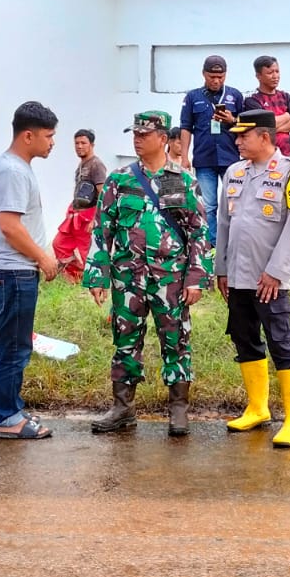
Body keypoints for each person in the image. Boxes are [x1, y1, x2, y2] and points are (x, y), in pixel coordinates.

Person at [83, 111, 210, 436]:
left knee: (176, 342)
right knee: (125, 342)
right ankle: (123, 409)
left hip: (171, 279)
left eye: (144, 134)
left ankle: (178, 410)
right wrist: (97, 274)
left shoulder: (180, 180)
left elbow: (198, 233)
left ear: (163, 139)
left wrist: (196, 277)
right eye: (134, 134)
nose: (137, 140)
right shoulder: (120, 179)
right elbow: (102, 228)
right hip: (128, 279)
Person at [215, 110, 290, 446]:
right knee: (244, 339)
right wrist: (221, 269)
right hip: (239, 278)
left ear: (265, 137)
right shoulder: (234, 172)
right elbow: (224, 224)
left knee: (280, 344)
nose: (237, 140)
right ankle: (258, 408)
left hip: (270, 279)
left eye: (244, 135)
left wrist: (277, 272)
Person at [0, 102, 60, 442]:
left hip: (4, 272)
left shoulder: (12, 166)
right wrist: (43, 257)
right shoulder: (13, 171)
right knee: (13, 348)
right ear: (28, 136)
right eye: (48, 136)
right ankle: (9, 418)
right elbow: (10, 227)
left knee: (0, 344)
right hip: (12, 273)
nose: (52, 143)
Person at [177, 54, 245, 247]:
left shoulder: (235, 95)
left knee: (234, 203)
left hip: (230, 158)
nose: (216, 81)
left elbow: (247, 126)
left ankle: (233, 243)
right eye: (211, 77)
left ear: (226, 75)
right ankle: (212, 245)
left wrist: (233, 120)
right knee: (208, 205)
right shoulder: (192, 97)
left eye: (220, 77)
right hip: (204, 158)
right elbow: (186, 127)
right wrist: (184, 157)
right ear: (203, 74)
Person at [52, 129, 109, 283]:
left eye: (83, 143)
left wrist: (95, 220)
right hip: (76, 214)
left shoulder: (96, 165)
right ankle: (75, 276)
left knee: (87, 252)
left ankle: (92, 286)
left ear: (92, 145)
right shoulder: (82, 164)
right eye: (76, 143)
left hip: (89, 215)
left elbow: (103, 194)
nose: (79, 146)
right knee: (59, 244)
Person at [242, 55, 290, 158]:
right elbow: (264, 126)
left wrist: (274, 129)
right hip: (262, 156)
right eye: (270, 73)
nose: (275, 76)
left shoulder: (286, 96)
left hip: (285, 155)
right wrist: (287, 116)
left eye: (277, 71)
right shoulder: (252, 100)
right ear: (258, 76)